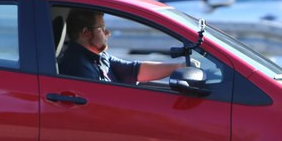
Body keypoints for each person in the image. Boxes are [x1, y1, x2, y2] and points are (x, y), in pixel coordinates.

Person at [57, 8, 190, 84]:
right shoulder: (78, 68)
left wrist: (180, 67)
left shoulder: (97, 56)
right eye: (102, 29)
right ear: (86, 33)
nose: (107, 33)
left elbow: (134, 70)